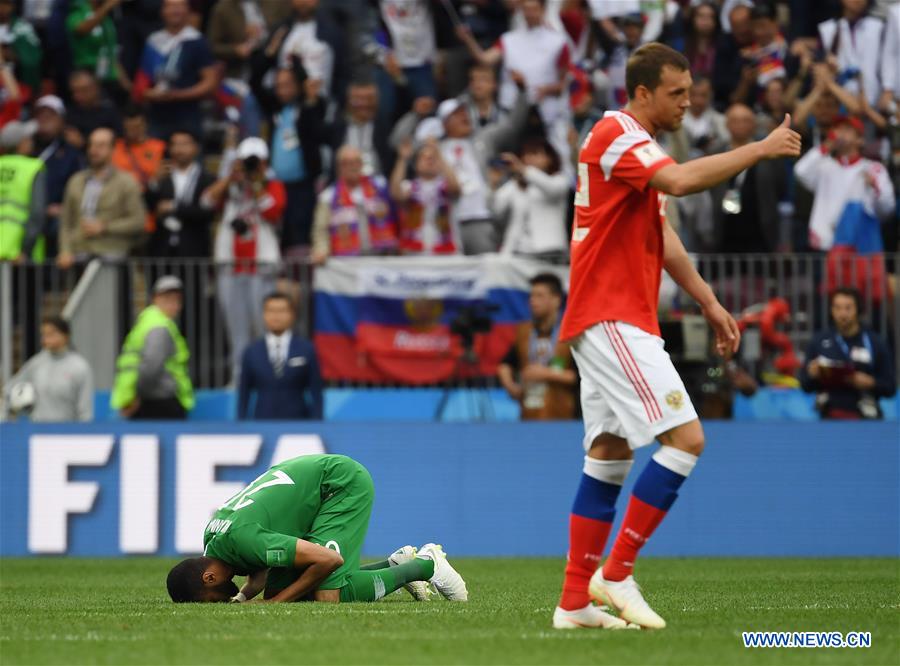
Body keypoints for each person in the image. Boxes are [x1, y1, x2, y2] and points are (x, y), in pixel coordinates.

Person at [553, 42, 800, 631]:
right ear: (642, 93)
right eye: (676, 93)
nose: (688, 101)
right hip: (611, 315)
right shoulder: (616, 131)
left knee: (609, 454)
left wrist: (710, 303)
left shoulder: (638, 147)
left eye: (689, 91)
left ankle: (573, 605)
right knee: (686, 439)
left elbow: (661, 236)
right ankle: (615, 574)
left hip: (617, 315)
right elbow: (684, 182)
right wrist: (759, 149)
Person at [166, 454, 468, 604]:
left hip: (338, 485)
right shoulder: (215, 539)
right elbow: (259, 567)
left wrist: (274, 604)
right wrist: (245, 598)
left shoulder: (240, 539)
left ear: (209, 577)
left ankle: (424, 564)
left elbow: (328, 560)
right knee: (290, 589)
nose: (219, 605)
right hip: (309, 487)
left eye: (211, 600)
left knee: (327, 595)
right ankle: (393, 564)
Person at [205, 136, 286, 383]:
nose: (250, 167)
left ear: (264, 163)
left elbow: (272, 211)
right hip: (231, 266)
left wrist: (256, 184)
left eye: (255, 162)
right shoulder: (231, 187)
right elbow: (206, 201)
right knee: (236, 328)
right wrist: (230, 177)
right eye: (245, 162)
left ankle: (268, 376)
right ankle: (239, 378)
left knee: (264, 325)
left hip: (261, 266)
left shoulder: (273, 185)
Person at [794, 115, 895, 252]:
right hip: (824, 244)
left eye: (847, 130)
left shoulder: (873, 168)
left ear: (860, 140)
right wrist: (825, 147)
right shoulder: (824, 165)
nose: (840, 133)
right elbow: (800, 171)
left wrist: (874, 186)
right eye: (837, 129)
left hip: (858, 248)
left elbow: (887, 209)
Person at [57, 127, 146, 269]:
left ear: (113, 149)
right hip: (78, 255)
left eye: (101, 145)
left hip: (112, 255)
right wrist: (65, 250)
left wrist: (105, 227)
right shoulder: (76, 181)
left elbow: (138, 222)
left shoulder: (126, 182)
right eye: (91, 145)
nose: (94, 150)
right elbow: (66, 222)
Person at [800, 288, 896, 420]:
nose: (842, 313)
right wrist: (812, 374)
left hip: (867, 418)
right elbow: (804, 385)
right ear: (831, 310)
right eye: (837, 308)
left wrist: (870, 383)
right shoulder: (819, 341)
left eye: (848, 308)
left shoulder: (875, 342)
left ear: (858, 310)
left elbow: (890, 387)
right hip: (829, 417)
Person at [111, 275, 195, 420]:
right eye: (168, 299)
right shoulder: (159, 327)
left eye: (177, 300)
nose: (174, 305)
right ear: (155, 299)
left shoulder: (147, 321)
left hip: (148, 399)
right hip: (157, 401)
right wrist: (137, 398)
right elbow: (151, 367)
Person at [132, 0, 218, 139]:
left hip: (188, 115)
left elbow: (209, 82)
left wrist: (179, 95)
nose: (174, 11)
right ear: (162, 11)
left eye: (179, 6)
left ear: (188, 11)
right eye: (170, 6)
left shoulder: (197, 41)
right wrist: (147, 93)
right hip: (157, 115)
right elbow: (142, 79)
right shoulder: (154, 41)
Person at [497, 273, 576, 421]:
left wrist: (546, 374)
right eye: (531, 296)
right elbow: (505, 365)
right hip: (528, 415)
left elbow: (581, 377)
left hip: (565, 417)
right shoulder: (524, 332)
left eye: (539, 296)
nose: (533, 301)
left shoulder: (571, 333)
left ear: (556, 300)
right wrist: (511, 386)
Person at [711, 103, 786, 253]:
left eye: (745, 120)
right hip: (724, 231)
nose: (740, 125)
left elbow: (780, 187)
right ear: (727, 124)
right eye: (735, 120)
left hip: (760, 231)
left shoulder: (768, 153)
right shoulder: (716, 152)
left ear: (754, 124)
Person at [238, 291, 323, 420]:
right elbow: (244, 393)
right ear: (264, 314)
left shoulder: (306, 349)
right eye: (271, 310)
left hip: (298, 423)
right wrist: (241, 424)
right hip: (262, 422)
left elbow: (316, 390)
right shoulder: (252, 352)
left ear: (292, 315)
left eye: (282, 310)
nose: (276, 316)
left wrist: (318, 422)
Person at [311, 145, 397, 263]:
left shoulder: (380, 187)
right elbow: (321, 231)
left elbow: (397, 215)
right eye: (347, 163)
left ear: (362, 164)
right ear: (339, 167)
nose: (353, 167)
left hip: (382, 256)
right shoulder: (328, 197)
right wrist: (321, 250)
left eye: (356, 162)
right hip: (348, 262)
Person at [5, 316, 93, 422]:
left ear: (65, 336)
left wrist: (83, 432)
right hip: (38, 432)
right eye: (44, 334)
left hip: (67, 432)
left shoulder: (80, 367)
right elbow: (11, 388)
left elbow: (85, 410)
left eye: (51, 334)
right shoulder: (36, 363)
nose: (46, 339)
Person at [147, 129, 216, 258]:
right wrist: (154, 182)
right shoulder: (162, 176)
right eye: (175, 144)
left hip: (194, 249)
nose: (179, 149)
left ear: (196, 148)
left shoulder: (207, 179)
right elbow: (148, 206)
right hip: (162, 249)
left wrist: (175, 207)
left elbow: (207, 212)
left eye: (185, 144)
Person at [32, 95, 83, 260]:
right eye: (40, 115)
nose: (44, 119)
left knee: (60, 227)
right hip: (28, 214)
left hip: (56, 215)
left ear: (62, 120)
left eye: (51, 115)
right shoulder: (26, 148)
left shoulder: (71, 153)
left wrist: (64, 207)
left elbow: (78, 186)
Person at [390, 139, 461, 255]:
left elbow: (456, 188)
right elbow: (396, 193)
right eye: (424, 157)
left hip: (444, 248)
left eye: (433, 157)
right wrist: (402, 159)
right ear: (416, 164)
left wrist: (439, 154)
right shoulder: (409, 186)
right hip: (415, 249)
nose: (429, 160)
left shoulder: (445, 185)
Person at [111, 104, 167, 234]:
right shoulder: (114, 148)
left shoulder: (160, 148)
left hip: (149, 210)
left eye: (137, 127)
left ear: (145, 125)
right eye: (129, 128)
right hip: (119, 209)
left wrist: (155, 181)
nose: (133, 131)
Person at [0, 119, 46, 261]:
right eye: (28, 138)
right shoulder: (33, 167)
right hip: (19, 252)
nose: (31, 142)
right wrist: (25, 249)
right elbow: (37, 212)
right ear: (22, 143)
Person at [328, 81, 392, 178]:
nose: (364, 104)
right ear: (349, 101)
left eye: (369, 99)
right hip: (345, 185)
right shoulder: (338, 126)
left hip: (377, 183)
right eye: (358, 99)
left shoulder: (384, 124)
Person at [66, 0, 127, 97]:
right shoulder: (78, 10)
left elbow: (111, 52)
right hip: (87, 73)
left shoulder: (107, 18)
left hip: (108, 75)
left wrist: (126, 84)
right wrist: (106, 7)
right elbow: (81, 28)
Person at [65, 69, 123, 149]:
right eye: (74, 91)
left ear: (96, 88)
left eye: (83, 90)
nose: (78, 96)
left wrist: (84, 143)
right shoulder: (69, 112)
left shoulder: (110, 111)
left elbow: (119, 140)